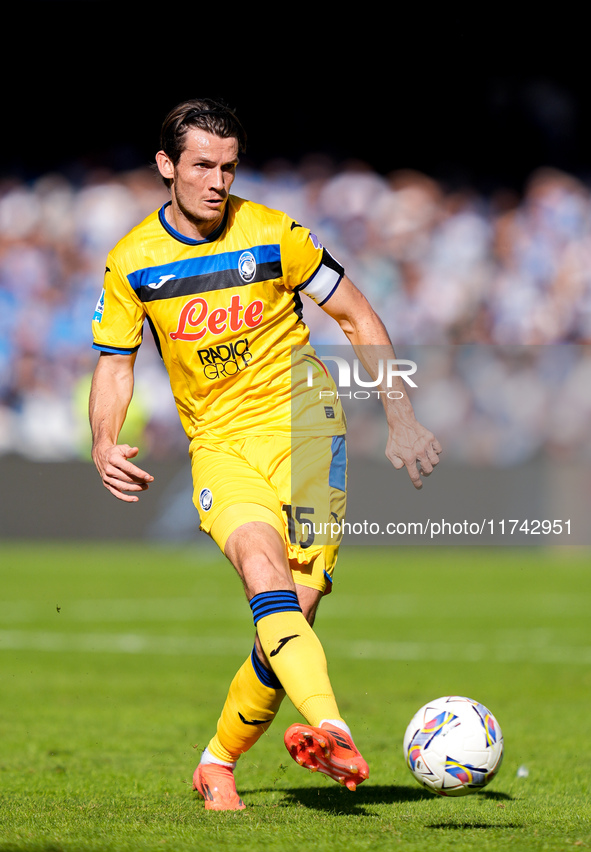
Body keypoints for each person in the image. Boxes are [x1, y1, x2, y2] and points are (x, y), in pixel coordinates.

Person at [89, 98, 442, 811]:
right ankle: (332, 727)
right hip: (219, 446)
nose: (217, 183)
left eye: (228, 168)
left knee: (289, 621)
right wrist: (103, 438)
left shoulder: (276, 235)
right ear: (167, 166)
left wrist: (399, 415)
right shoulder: (133, 261)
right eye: (201, 167)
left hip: (307, 431)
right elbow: (116, 362)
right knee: (263, 575)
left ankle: (216, 762)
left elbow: (356, 314)